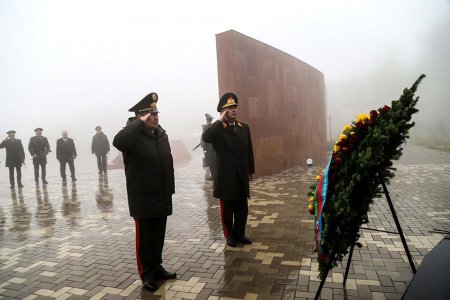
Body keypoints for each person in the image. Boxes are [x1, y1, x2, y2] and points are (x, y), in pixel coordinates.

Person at [113, 92, 176, 292]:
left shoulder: (161, 133)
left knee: (158, 237)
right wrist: (139, 122)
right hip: (143, 197)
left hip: (161, 194)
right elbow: (119, 142)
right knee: (145, 240)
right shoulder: (132, 136)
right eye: (151, 114)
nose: (156, 117)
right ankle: (147, 274)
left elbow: (168, 162)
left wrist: (170, 189)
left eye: (157, 113)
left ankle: (157, 268)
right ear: (141, 117)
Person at [202, 92, 255, 247]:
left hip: (241, 175)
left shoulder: (243, 128)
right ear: (223, 111)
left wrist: (250, 170)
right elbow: (206, 137)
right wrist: (219, 120)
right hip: (226, 176)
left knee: (242, 208)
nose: (234, 110)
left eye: (235, 107)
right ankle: (229, 235)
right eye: (230, 108)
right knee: (228, 209)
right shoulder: (218, 128)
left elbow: (249, 150)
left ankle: (240, 233)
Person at [201, 113, 216, 180]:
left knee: (211, 162)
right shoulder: (213, 126)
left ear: (207, 120)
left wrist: (204, 148)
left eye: (207, 119)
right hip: (213, 147)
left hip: (209, 148)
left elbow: (204, 138)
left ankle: (213, 175)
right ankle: (214, 175)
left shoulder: (206, 127)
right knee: (212, 162)